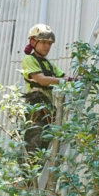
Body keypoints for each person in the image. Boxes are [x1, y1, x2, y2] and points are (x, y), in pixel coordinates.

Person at [21, 23, 71, 161]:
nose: (47, 46)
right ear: (33, 42)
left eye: (49, 43)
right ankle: (27, 180)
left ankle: (39, 177)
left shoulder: (49, 64)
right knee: (33, 142)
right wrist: (62, 81)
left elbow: (63, 77)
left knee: (45, 144)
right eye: (43, 42)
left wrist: (74, 79)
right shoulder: (29, 60)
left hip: (48, 107)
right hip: (35, 106)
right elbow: (41, 80)